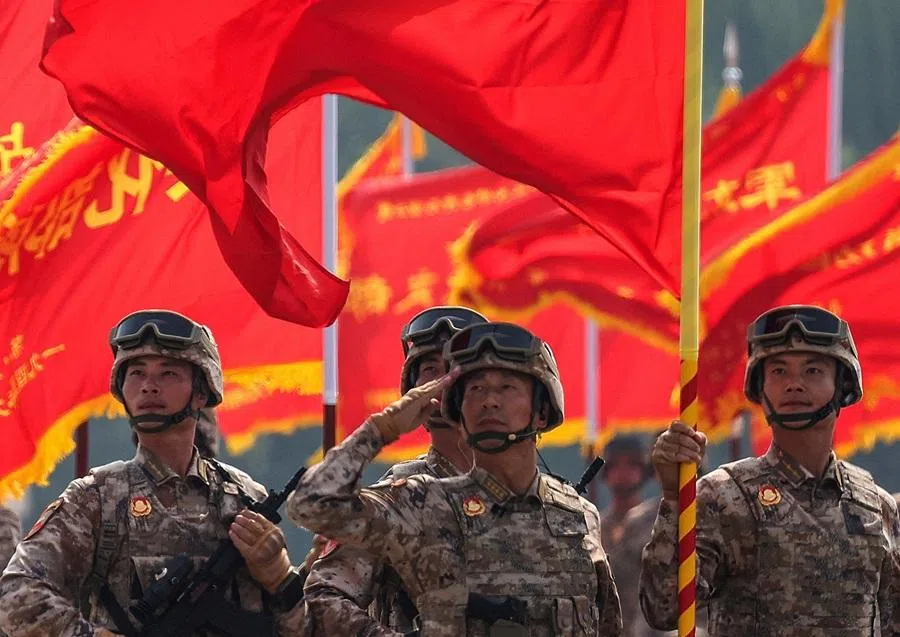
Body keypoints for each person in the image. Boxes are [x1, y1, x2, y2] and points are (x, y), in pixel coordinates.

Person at [288, 321, 622, 636]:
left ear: (542, 411)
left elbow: (607, 626)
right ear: (458, 412)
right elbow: (309, 505)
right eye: (476, 389)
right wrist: (383, 427)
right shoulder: (421, 505)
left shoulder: (578, 515)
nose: (490, 401)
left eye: (507, 387)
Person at [0, 309, 307, 637]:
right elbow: (15, 597)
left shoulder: (246, 497)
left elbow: (299, 631)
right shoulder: (95, 499)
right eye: (136, 374)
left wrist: (282, 579)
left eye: (168, 374)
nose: (148, 387)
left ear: (201, 393)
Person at [640, 304, 900, 635]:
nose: (794, 384)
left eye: (812, 371)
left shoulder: (877, 507)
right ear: (760, 389)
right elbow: (663, 610)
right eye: (779, 372)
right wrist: (674, 500)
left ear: (843, 386)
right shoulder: (722, 496)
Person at [304, 306, 487, 635]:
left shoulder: (530, 494)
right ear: (413, 388)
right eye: (430, 369)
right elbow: (324, 599)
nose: (441, 381)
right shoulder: (397, 500)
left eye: (456, 369)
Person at [598, 436, 671, 637]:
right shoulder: (594, 526)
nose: (624, 473)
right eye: (616, 465)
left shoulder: (657, 522)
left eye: (631, 465)